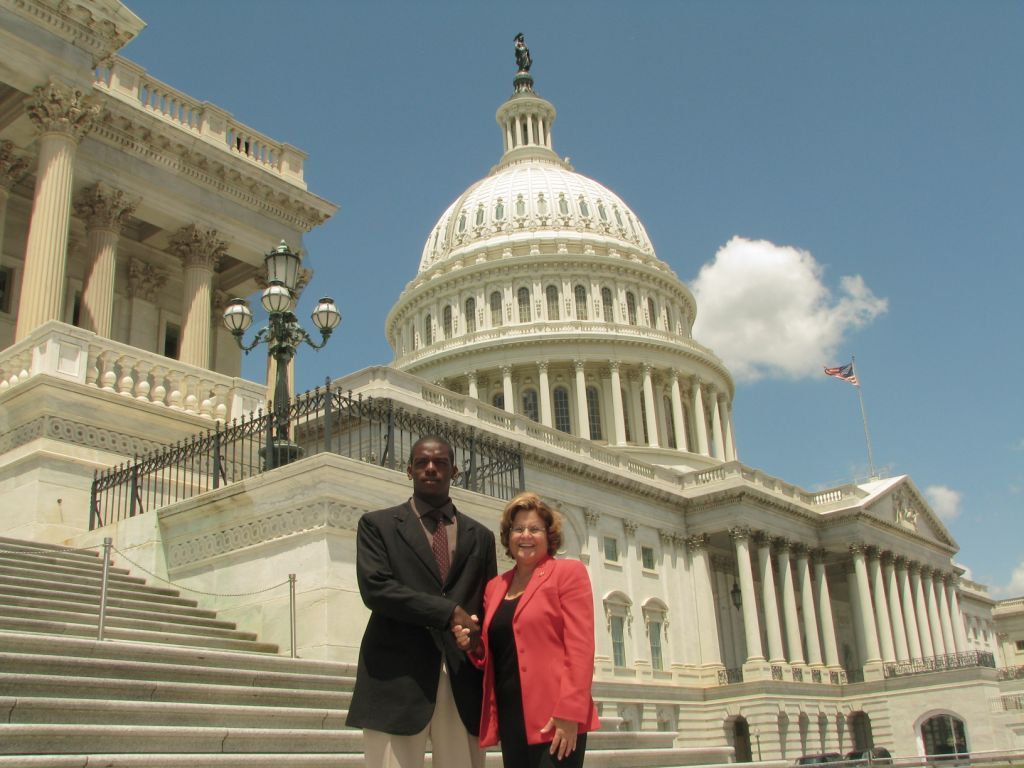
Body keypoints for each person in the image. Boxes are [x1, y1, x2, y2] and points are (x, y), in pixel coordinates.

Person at [346, 435, 498, 768]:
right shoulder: (378, 525)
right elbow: (376, 589)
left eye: (440, 463)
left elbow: (486, 607)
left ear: (454, 471)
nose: (431, 469)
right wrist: (447, 612)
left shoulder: (481, 537)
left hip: (462, 681)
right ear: (409, 470)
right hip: (396, 678)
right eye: (422, 463)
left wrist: (476, 641)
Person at [454, 492, 600, 767]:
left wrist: (570, 712)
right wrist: (473, 643)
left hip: (555, 717)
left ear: (549, 535)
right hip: (512, 715)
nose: (526, 536)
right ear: (508, 536)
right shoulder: (495, 587)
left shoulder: (568, 573)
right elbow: (497, 650)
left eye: (534, 529)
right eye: (518, 529)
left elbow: (581, 647)